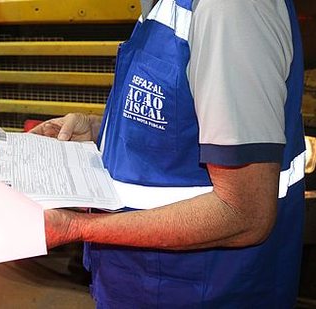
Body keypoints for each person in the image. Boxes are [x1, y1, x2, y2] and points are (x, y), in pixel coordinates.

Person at [30, 0, 305, 307]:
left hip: (206, 292)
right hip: (142, 285)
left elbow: (244, 213)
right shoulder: (165, 4)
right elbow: (181, 118)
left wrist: (75, 227)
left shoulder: (229, 9)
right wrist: (101, 131)